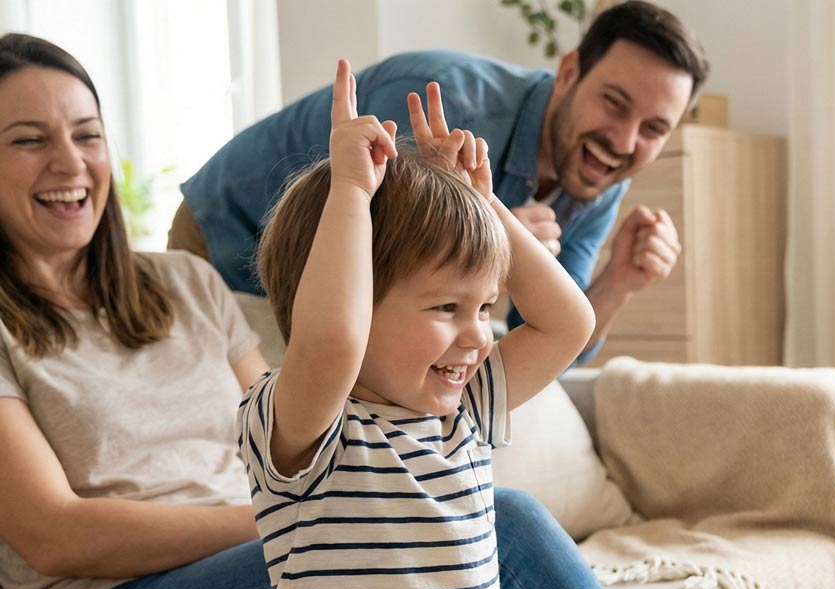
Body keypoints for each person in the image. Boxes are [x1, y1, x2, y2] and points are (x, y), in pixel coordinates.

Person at [0, 33, 667, 589]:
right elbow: (53, 535)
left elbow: (322, 403)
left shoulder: (186, 283)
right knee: (504, 524)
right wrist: (308, 518)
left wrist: (470, 208)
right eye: (29, 140)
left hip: (284, 535)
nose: (69, 162)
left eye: (87, 135)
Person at [171, 0, 708, 361]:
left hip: (343, 283)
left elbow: (544, 333)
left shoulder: (598, 175)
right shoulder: (446, 105)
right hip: (229, 231)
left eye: (654, 129)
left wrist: (617, 283)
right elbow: (372, 261)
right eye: (614, 104)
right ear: (568, 73)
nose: (623, 140)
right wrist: (488, 238)